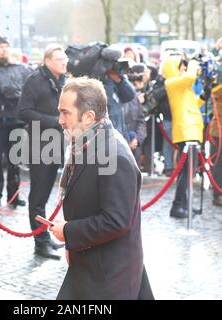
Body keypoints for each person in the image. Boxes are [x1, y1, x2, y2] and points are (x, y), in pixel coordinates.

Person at [49, 77, 145, 299]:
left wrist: (68, 232)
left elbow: (116, 221)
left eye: (66, 113)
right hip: (90, 266)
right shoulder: (89, 141)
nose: (60, 120)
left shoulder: (114, 155)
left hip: (108, 278)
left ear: (89, 117)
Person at [18, 44, 67, 260]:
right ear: (47, 61)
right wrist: (53, 122)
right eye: (59, 59)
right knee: (38, 196)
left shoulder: (62, 80)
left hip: (57, 143)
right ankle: (40, 243)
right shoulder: (35, 80)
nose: (64, 62)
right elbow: (23, 111)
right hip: (40, 143)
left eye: (64, 58)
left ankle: (45, 237)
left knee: (46, 194)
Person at [0, 37, 32, 208]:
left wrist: (17, 93)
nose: (3, 50)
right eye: (0, 47)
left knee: (15, 160)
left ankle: (14, 194)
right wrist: (0, 90)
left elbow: (28, 91)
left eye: (6, 46)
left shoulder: (22, 69)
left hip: (16, 120)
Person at [162, 55, 203, 218]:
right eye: (181, 66)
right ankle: (178, 206)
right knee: (185, 172)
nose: (184, 68)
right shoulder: (172, 83)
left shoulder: (183, 86)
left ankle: (183, 204)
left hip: (191, 130)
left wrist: (203, 97)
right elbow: (190, 77)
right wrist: (193, 63)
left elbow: (192, 104)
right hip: (185, 131)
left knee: (188, 172)